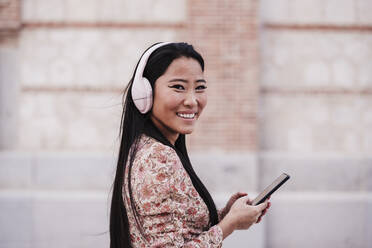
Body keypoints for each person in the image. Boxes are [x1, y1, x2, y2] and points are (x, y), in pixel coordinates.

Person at [110, 42, 271, 247]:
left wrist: (225, 215)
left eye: (200, 87)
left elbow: (177, 230)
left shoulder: (147, 148)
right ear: (145, 94)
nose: (192, 101)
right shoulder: (158, 157)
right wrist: (229, 225)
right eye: (178, 87)